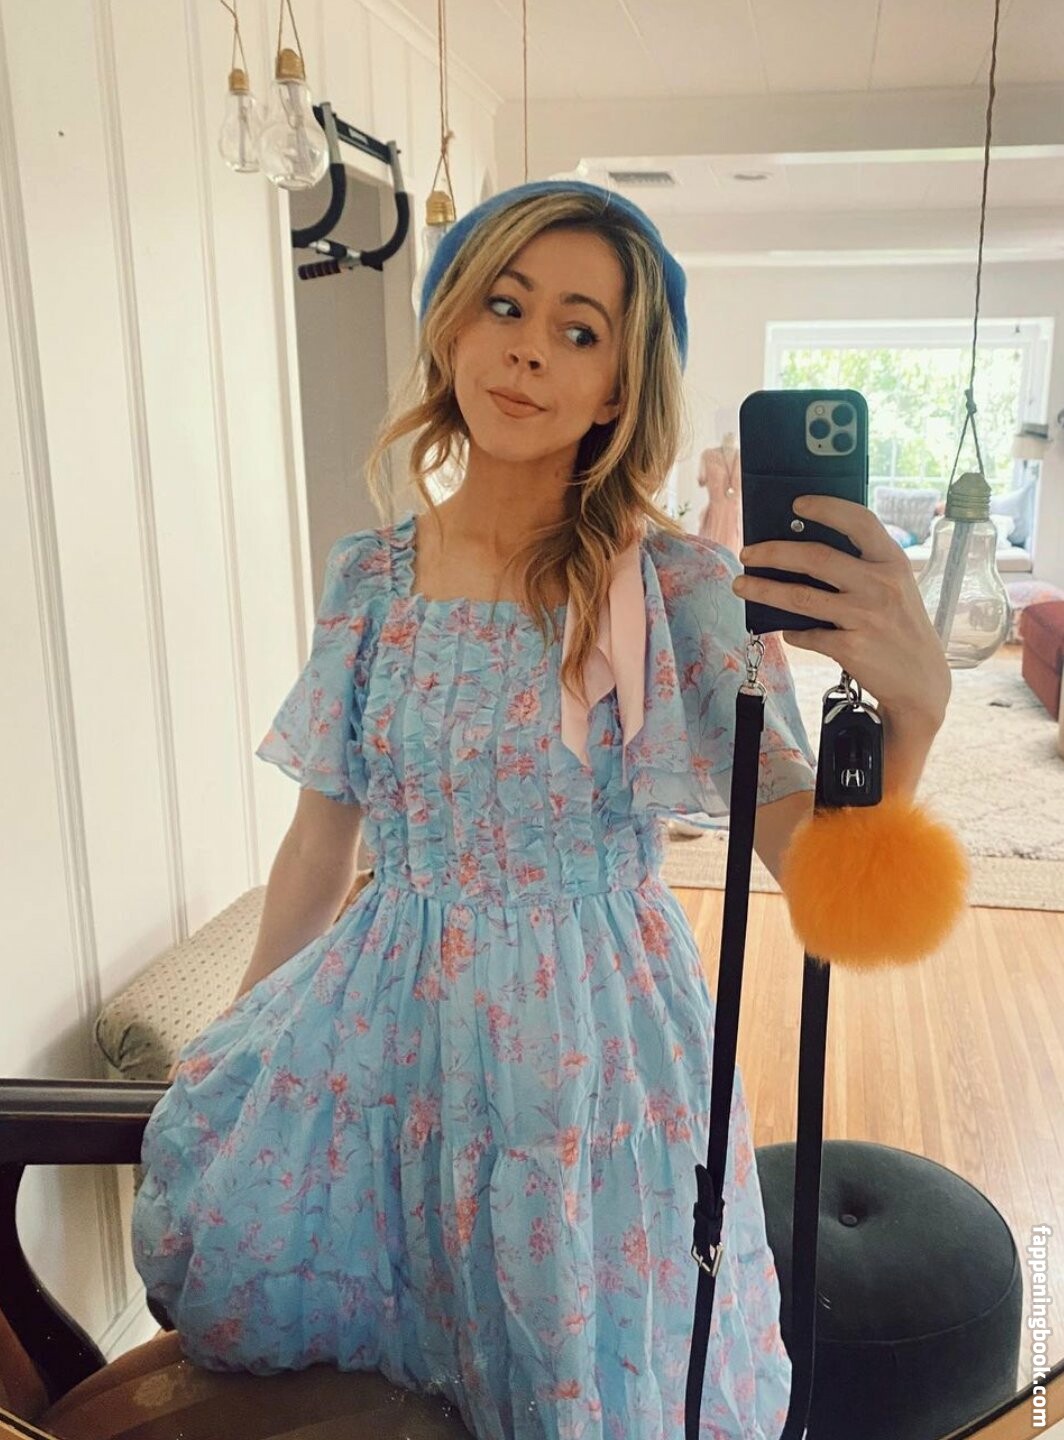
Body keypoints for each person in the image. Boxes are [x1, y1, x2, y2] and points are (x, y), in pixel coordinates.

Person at [131, 180, 950, 1440]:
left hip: (591, 1051)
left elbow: (820, 875)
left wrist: (916, 715)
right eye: (504, 307)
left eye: (579, 330)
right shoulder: (370, 578)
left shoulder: (676, 589)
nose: (527, 350)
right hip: (388, 1035)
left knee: (577, 1364)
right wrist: (244, 1032)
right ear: (452, 327)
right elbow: (319, 838)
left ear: (619, 388)